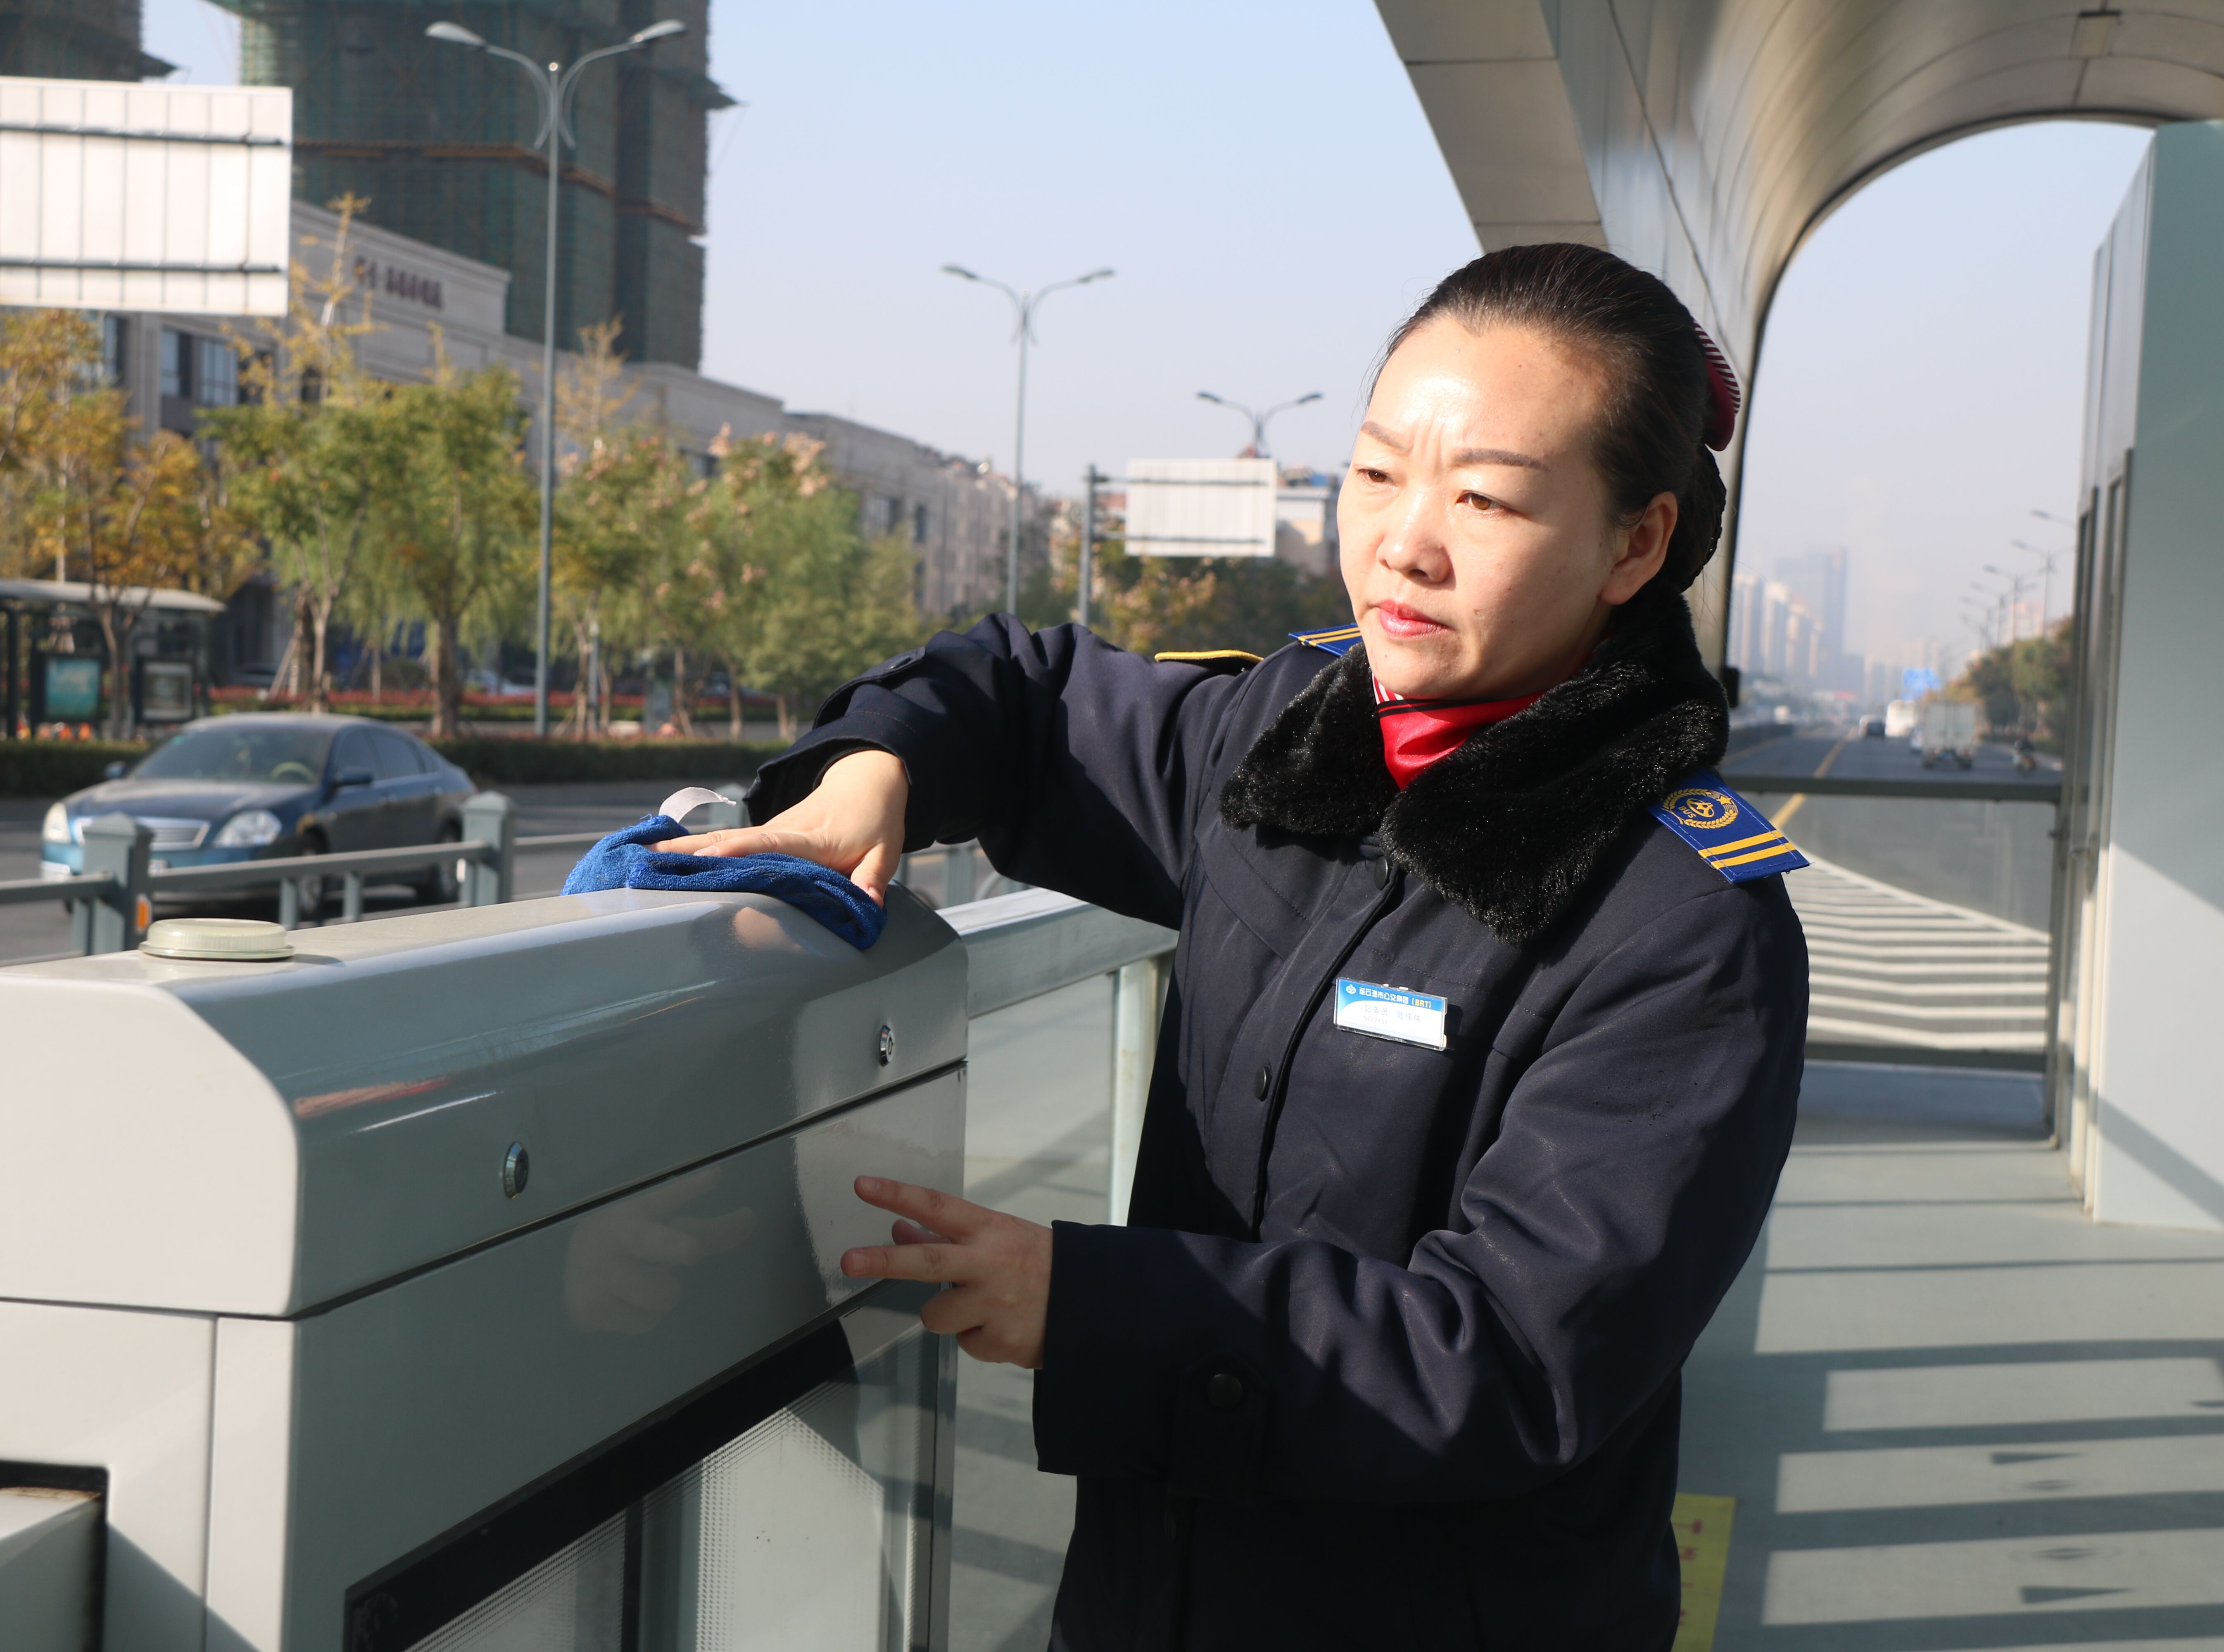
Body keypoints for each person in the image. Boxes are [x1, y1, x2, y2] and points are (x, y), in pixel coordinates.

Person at [670, 243, 1809, 1650]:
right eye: (1377, 473)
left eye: (1485, 498)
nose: (1405, 542)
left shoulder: (1686, 925)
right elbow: (1022, 696)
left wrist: (1087, 1307)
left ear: (1635, 544)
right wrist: (871, 776)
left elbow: (1520, 1358)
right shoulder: (1289, 737)